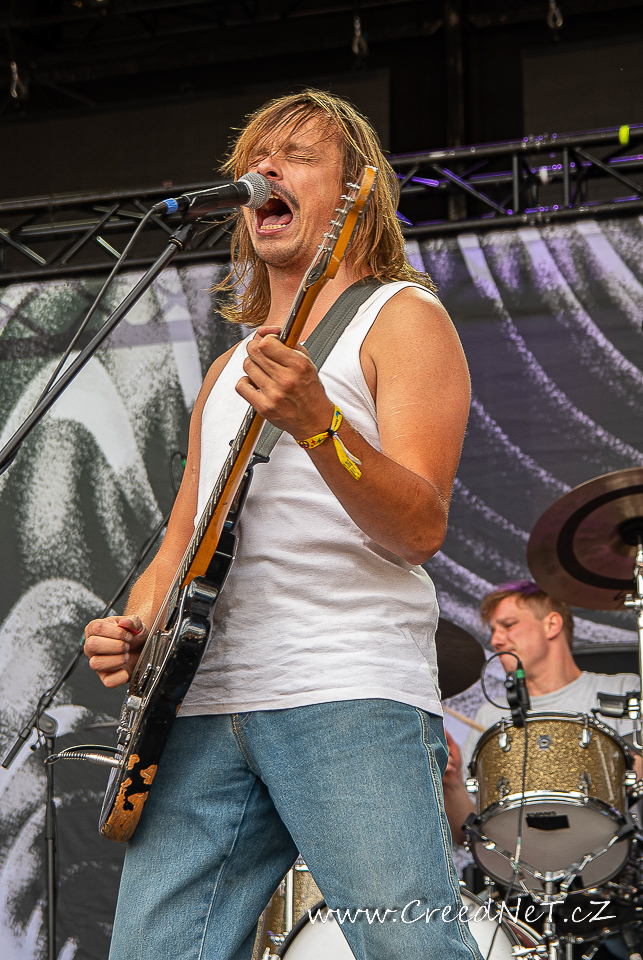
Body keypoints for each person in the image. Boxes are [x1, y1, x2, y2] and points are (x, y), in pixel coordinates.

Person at [83, 90, 482, 960]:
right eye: (253, 161)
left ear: (355, 194)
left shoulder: (401, 317)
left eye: (297, 155)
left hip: (343, 687)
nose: (264, 169)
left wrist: (318, 424)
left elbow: (419, 527)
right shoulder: (229, 366)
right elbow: (183, 540)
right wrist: (136, 625)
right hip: (201, 703)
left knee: (410, 950)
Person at [442, 579, 641, 847]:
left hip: (612, 858)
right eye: (493, 631)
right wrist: (452, 781)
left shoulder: (625, 689)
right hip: (520, 869)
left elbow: (634, 781)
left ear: (552, 624)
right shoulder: (491, 715)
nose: (495, 640)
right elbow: (464, 835)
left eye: (508, 625)